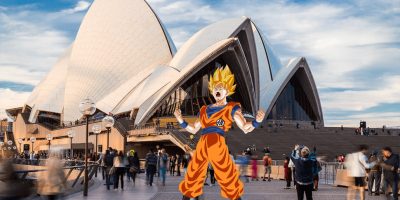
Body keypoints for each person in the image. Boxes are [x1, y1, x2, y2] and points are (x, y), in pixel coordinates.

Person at [174, 66, 265, 200]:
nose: (217, 90)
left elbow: (245, 127)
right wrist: (180, 119)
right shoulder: (204, 109)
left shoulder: (231, 108)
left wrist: (257, 122)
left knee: (226, 173)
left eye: (220, 87)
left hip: (217, 142)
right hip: (203, 142)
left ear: (227, 90)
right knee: (193, 173)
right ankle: (187, 198)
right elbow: (193, 128)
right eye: (215, 88)